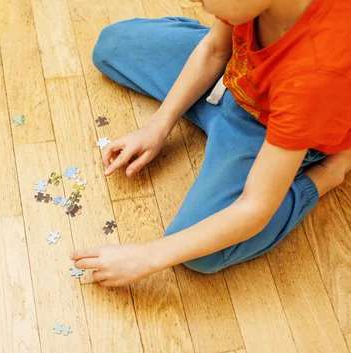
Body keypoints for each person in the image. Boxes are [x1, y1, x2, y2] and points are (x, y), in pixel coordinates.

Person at [69, 0, 351, 286]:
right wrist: (157, 125)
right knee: (111, 45)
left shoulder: (314, 74)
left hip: (269, 133)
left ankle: (329, 173)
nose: (191, 2)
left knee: (198, 254)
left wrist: (146, 257)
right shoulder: (248, 5)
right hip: (233, 78)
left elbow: (255, 207)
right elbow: (215, 49)